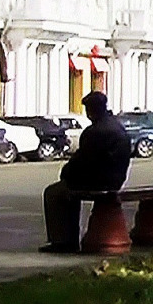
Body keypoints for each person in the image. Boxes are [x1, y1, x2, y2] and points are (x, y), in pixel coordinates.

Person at [41, 91, 132, 252]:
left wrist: (66, 173)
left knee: (54, 193)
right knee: (68, 189)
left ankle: (63, 241)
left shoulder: (95, 131)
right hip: (116, 179)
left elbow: (82, 161)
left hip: (97, 181)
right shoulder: (117, 127)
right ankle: (67, 240)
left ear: (92, 110)